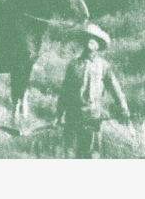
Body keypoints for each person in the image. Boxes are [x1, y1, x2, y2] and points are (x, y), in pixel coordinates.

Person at [54, 23, 130, 159]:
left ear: (99, 45)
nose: (91, 42)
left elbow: (115, 88)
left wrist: (123, 108)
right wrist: (58, 115)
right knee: (70, 154)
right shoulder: (73, 64)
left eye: (94, 39)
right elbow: (64, 92)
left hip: (93, 118)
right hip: (73, 116)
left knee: (92, 155)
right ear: (83, 42)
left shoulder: (103, 66)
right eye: (88, 38)